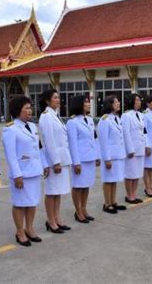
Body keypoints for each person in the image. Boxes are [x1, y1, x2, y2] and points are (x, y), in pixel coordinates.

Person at [2, 96, 49, 246]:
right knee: (20, 203)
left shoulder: (32, 126)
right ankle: (20, 231)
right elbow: (10, 155)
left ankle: (29, 228)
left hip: (34, 171)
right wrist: (17, 175)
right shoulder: (10, 129)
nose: (30, 110)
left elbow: (39, 148)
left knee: (32, 202)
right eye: (27, 108)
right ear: (18, 110)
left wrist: (45, 164)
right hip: (22, 173)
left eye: (30, 107)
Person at [38, 89, 72, 233]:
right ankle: (50, 220)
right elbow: (49, 141)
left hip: (62, 159)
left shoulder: (56, 116)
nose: (58, 100)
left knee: (58, 191)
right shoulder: (46, 116)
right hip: (54, 161)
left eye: (59, 98)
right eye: (55, 98)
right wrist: (55, 162)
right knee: (51, 192)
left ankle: (57, 218)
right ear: (47, 100)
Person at [66, 95, 100, 223]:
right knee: (78, 186)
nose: (88, 104)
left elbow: (94, 139)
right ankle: (78, 211)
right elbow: (72, 143)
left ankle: (84, 209)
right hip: (80, 159)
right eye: (85, 102)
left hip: (90, 157)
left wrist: (97, 155)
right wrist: (76, 162)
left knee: (86, 185)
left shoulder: (90, 120)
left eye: (88, 101)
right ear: (79, 104)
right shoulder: (72, 122)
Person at [97, 95, 127, 214]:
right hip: (110, 156)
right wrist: (106, 158)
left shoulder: (116, 118)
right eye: (116, 102)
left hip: (117, 154)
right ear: (110, 105)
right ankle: (107, 203)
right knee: (108, 180)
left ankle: (113, 201)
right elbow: (103, 141)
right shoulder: (104, 120)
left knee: (114, 179)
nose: (118, 103)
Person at [121, 94, 145, 204]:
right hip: (132, 149)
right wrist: (130, 149)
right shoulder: (126, 115)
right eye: (137, 100)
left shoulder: (140, 114)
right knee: (130, 173)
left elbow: (144, 132)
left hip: (140, 147)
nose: (139, 102)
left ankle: (134, 195)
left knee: (137, 173)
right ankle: (129, 195)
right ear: (132, 101)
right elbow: (126, 133)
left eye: (139, 100)